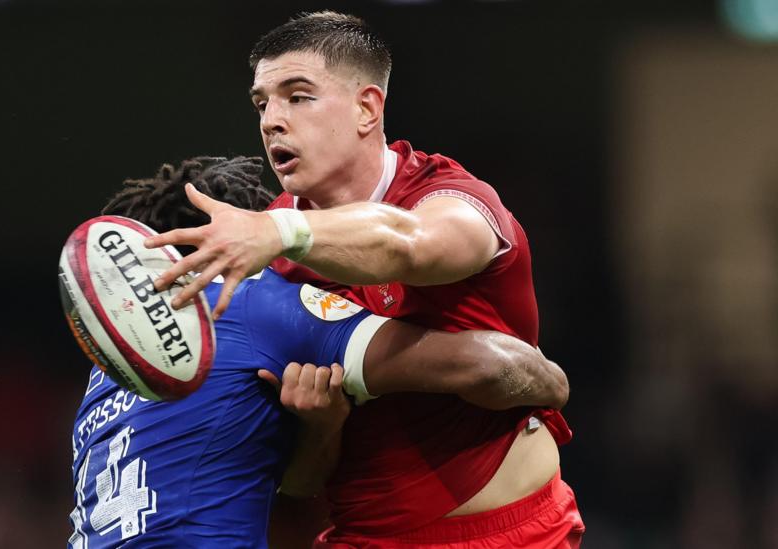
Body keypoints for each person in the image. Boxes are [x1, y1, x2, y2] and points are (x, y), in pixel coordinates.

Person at [144, 11, 585, 548]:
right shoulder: (266, 260)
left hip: (512, 533)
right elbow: (300, 480)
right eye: (262, 103)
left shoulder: (447, 195)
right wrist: (320, 424)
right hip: (366, 537)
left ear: (366, 108)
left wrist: (281, 230)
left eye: (297, 96)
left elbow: (412, 245)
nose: (271, 121)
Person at [66, 156, 568, 548]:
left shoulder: (106, 375)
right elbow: (486, 367)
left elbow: (293, 480)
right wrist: (554, 383)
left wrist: (323, 425)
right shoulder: (254, 301)